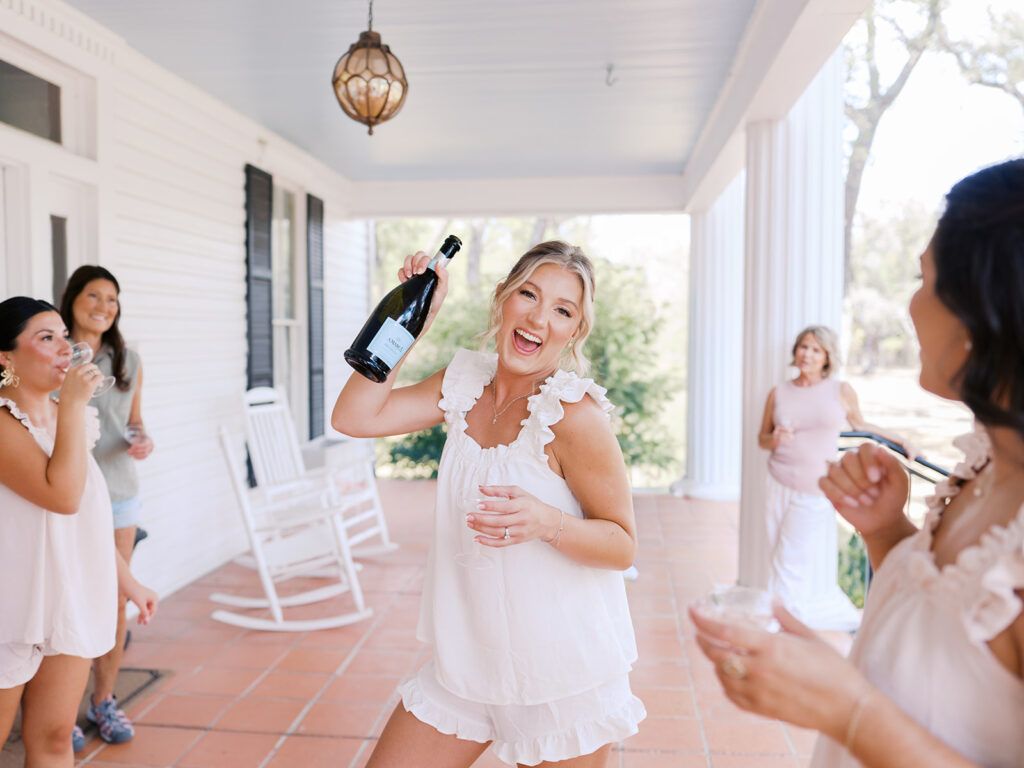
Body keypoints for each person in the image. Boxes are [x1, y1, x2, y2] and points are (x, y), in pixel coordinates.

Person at [691, 158, 1024, 767]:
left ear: (987, 310)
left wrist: (847, 709)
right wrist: (886, 532)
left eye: (924, 281)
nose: (911, 307)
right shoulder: (985, 470)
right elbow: (947, 633)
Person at [332, 241, 645, 767]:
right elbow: (354, 418)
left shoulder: (573, 416)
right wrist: (412, 326)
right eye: (529, 294)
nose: (539, 319)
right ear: (502, 299)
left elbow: (623, 546)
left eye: (563, 311)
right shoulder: (462, 385)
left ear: (574, 331)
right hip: (466, 664)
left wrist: (549, 523)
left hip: (560, 679)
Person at [0, 297, 157, 767]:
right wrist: (70, 403)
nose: (64, 347)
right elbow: (61, 495)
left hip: (63, 601)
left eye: (63, 336)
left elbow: (82, 520)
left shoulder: (72, 418)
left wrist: (127, 581)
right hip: (11, 605)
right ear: (4, 358)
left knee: (52, 741)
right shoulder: (6, 423)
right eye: (45, 338)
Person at [756, 326, 914, 631]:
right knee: (777, 551)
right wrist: (774, 438)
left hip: (814, 488)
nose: (807, 354)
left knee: (790, 558)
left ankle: (775, 625)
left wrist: (901, 439)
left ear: (827, 356)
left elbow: (861, 424)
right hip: (777, 481)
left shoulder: (840, 391)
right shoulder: (779, 392)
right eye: (803, 347)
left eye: (816, 349)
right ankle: (787, 617)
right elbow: (761, 439)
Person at [58, 266, 155, 748]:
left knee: (115, 599)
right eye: (93, 295)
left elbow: (134, 422)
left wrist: (142, 440)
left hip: (118, 492)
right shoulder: (53, 354)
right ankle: (64, 712)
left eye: (112, 299)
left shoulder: (129, 360)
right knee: (67, 596)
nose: (103, 306)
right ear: (72, 299)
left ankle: (104, 700)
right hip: (63, 493)